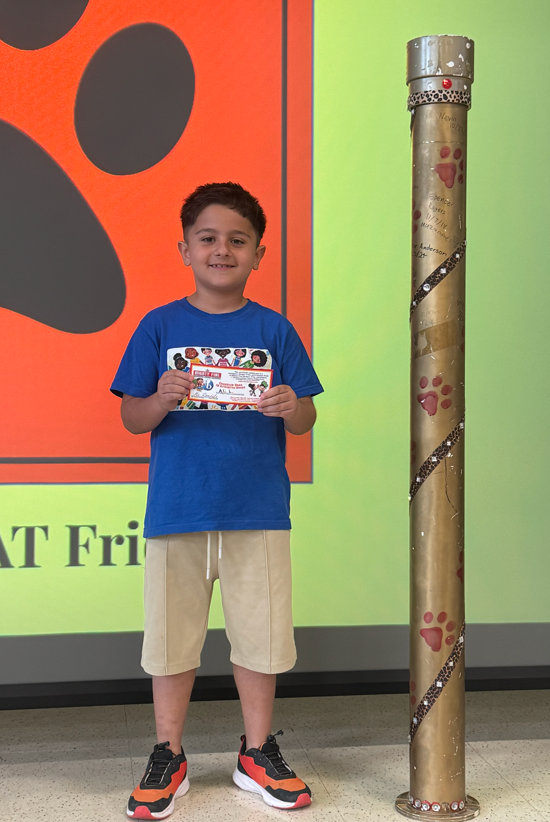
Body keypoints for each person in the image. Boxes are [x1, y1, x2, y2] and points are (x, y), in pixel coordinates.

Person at [111, 181, 323, 819]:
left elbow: (305, 417)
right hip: (178, 509)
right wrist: (160, 398)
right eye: (208, 238)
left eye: (238, 240)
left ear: (260, 253)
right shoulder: (159, 326)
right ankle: (167, 752)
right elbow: (132, 417)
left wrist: (293, 408)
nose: (222, 249)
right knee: (172, 640)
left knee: (260, 638)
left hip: (258, 509)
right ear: (184, 249)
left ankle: (257, 751)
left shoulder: (274, 329)